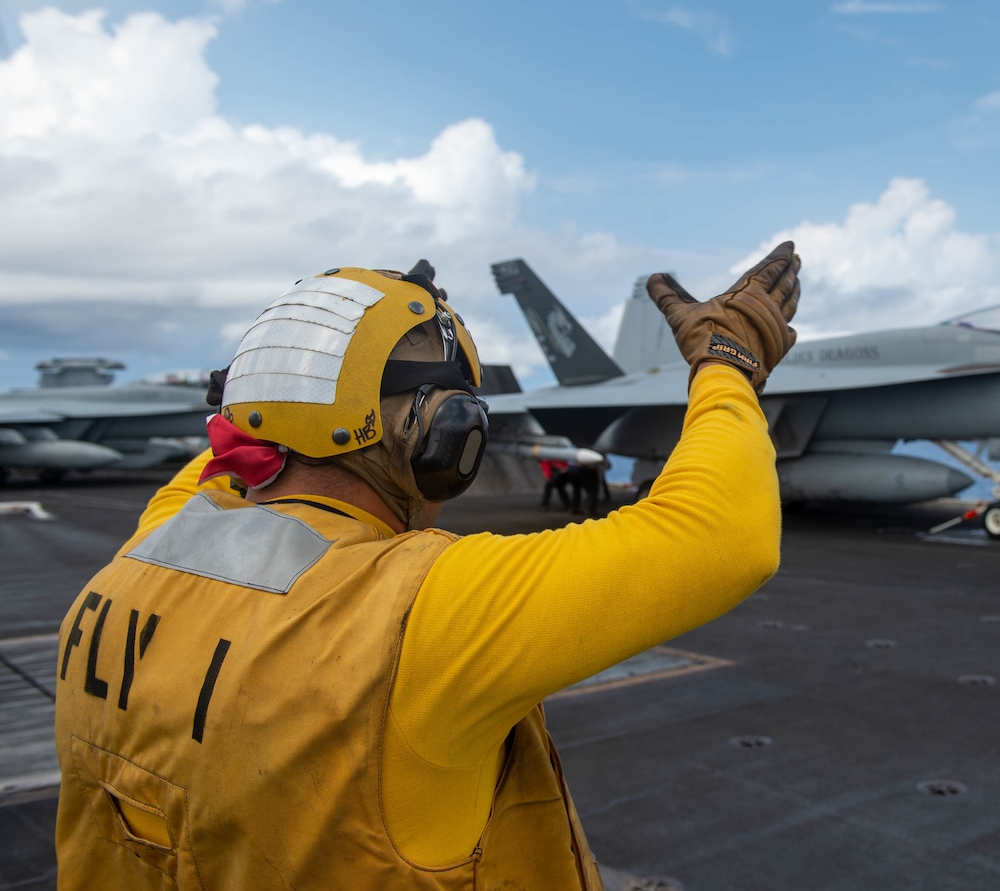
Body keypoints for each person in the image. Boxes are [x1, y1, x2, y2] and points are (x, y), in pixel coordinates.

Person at [53, 243, 800, 890]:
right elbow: (724, 537)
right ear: (444, 436)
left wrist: (274, 382)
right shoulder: (416, 612)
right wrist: (727, 363)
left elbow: (222, 465)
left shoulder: (137, 559)